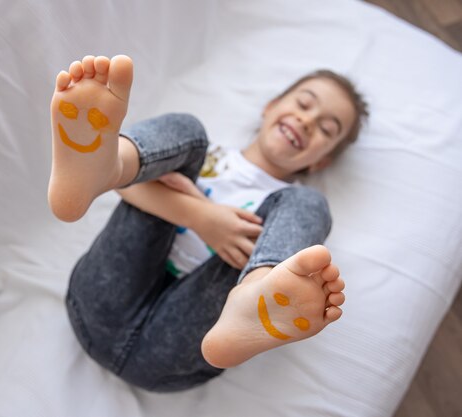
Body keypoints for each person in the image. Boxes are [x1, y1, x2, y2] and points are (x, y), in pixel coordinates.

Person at [48, 55, 368, 392]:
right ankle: (107, 165)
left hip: (181, 348)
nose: (307, 121)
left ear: (321, 161)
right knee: (189, 130)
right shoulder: (201, 156)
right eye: (304, 104)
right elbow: (129, 192)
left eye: (325, 129)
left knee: (310, 204)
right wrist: (200, 216)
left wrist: (188, 202)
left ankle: (255, 291)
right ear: (270, 107)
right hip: (100, 297)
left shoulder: (288, 207)